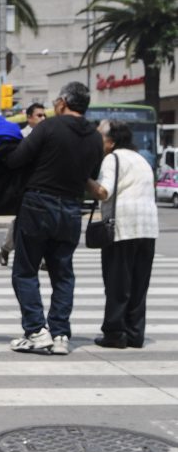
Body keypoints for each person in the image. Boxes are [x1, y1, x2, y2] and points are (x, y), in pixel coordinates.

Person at [4, 81, 104, 355]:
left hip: (39, 203)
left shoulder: (49, 127)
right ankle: (59, 333)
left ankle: (36, 330)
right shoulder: (96, 137)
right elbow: (90, 173)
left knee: (25, 271)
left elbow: (17, 159)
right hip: (71, 208)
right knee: (63, 273)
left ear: (63, 102)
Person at [87, 120, 159, 349]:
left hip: (123, 228)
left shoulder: (112, 158)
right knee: (139, 283)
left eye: (101, 137)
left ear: (112, 141)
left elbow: (103, 191)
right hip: (148, 228)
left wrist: (83, 178)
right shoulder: (141, 159)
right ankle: (135, 333)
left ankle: (115, 333)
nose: (99, 141)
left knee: (118, 283)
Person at [0, 102, 47, 266]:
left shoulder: (48, 135)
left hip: (43, 186)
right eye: (39, 115)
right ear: (29, 118)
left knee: (42, 222)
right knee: (22, 221)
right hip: (23, 187)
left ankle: (43, 258)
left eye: (44, 115)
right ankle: (6, 247)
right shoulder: (20, 136)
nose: (43, 118)